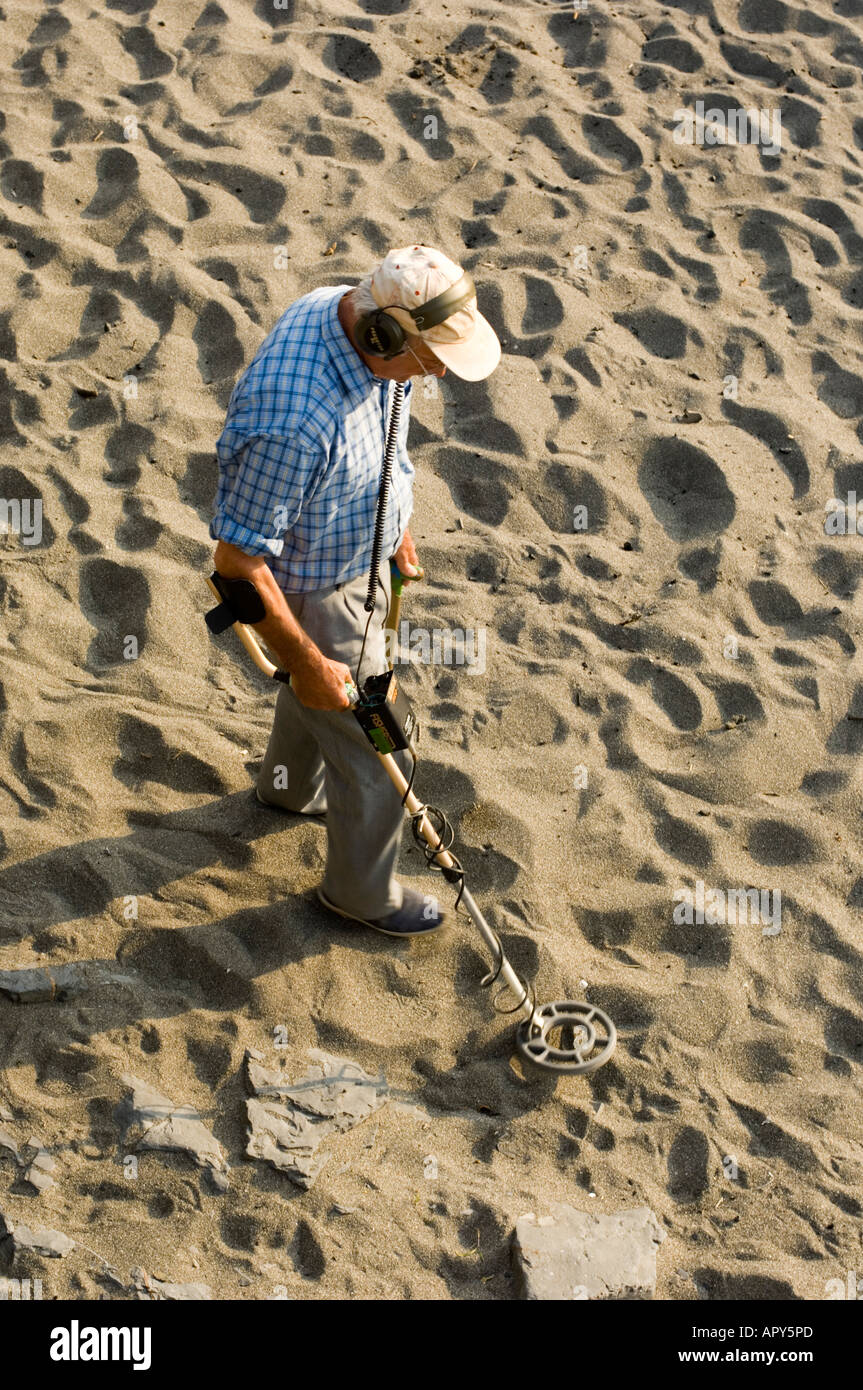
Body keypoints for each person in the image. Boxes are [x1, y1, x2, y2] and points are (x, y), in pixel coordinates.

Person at [210, 245, 501, 937]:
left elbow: (384, 424)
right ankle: (359, 895)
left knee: (317, 703)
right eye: (429, 361)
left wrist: (391, 521)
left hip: (356, 553)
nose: (434, 376)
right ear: (383, 334)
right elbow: (236, 563)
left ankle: (287, 791)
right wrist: (310, 659)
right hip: (318, 594)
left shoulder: (346, 310)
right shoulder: (292, 420)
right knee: (380, 750)